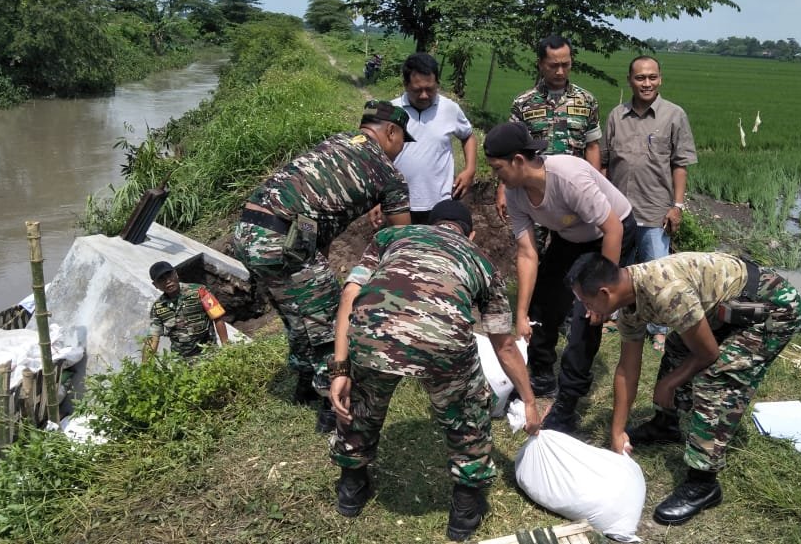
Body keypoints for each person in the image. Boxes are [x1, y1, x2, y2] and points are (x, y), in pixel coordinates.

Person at [329, 200, 541, 542]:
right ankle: (465, 509)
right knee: (467, 412)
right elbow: (503, 345)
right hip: (443, 343)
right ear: (469, 234)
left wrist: (340, 368)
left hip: (373, 331)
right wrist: (529, 400)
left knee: (362, 404)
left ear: (430, 224)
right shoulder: (483, 262)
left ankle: (351, 488)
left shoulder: (391, 236)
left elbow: (349, 296)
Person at [565, 251, 801, 525]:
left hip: (771, 308)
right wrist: (617, 432)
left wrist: (670, 383)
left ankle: (703, 483)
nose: (586, 309)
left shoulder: (665, 292)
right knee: (679, 348)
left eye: (586, 301)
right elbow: (627, 368)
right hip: (724, 310)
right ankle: (666, 424)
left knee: (717, 378)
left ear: (605, 293)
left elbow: (708, 354)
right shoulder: (628, 301)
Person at [232, 100, 413, 432]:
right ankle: (333, 408)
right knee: (332, 320)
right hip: (281, 240)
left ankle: (304, 384)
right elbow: (401, 239)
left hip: (247, 231)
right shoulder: (389, 174)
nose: (401, 150)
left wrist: (318, 265)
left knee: (299, 313)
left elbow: (312, 212)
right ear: (391, 131)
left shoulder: (333, 145)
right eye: (403, 140)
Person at [483, 121, 636, 433]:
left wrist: (600, 294)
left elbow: (613, 229)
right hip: (569, 236)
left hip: (611, 233)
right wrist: (522, 314)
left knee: (587, 316)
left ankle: (567, 402)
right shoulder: (515, 193)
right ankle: (540, 373)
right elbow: (527, 253)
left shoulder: (568, 178)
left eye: (498, 168)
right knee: (543, 304)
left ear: (518, 161)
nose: (496, 177)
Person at [603, 55, 698, 429]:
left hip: (657, 211)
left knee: (660, 277)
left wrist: (677, 205)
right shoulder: (615, 116)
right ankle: (622, 321)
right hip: (621, 211)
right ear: (630, 79)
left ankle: (659, 332)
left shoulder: (674, 115)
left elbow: (680, 164)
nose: (646, 83)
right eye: (640, 77)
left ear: (660, 79)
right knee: (620, 273)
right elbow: (606, 163)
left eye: (652, 77)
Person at [496, 35, 602, 222]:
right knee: (532, 248)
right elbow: (510, 150)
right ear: (540, 64)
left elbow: (592, 147)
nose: (560, 72)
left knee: (573, 247)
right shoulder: (524, 103)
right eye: (553, 66)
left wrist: (595, 188)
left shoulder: (586, 101)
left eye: (565, 65)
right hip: (533, 193)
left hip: (573, 193)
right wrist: (503, 189)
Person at [369, 53, 477, 227]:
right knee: (399, 250)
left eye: (430, 89)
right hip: (397, 205)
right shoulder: (388, 111)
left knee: (434, 252)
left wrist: (470, 170)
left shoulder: (449, 109)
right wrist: (376, 198)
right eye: (417, 90)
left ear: (437, 84)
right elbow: (375, 157)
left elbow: (468, 136)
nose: (424, 95)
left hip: (439, 205)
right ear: (405, 85)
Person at [144, 261, 231, 362]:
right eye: (161, 279)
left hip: (208, 356)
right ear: (155, 285)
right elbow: (153, 337)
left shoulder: (200, 291)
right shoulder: (158, 308)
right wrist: (145, 367)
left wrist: (226, 347)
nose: (167, 281)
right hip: (181, 364)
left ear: (176, 274)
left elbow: (218, 318)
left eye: (169, 276)